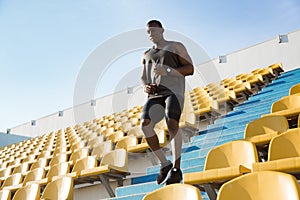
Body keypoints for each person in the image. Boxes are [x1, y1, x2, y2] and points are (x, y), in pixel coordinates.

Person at [140, 19, 194, 185]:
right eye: (148, 32)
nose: (151, 34)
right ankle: (165, 163)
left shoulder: (176, 46)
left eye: (154, 31)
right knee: (145, 124)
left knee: (171, 121)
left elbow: (190, 69)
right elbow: (143, 77)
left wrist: (168, 71)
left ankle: (176, 169)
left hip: (173, 92)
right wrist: (146, 86)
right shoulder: (146, 54)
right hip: (155, 95)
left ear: (162, 30)